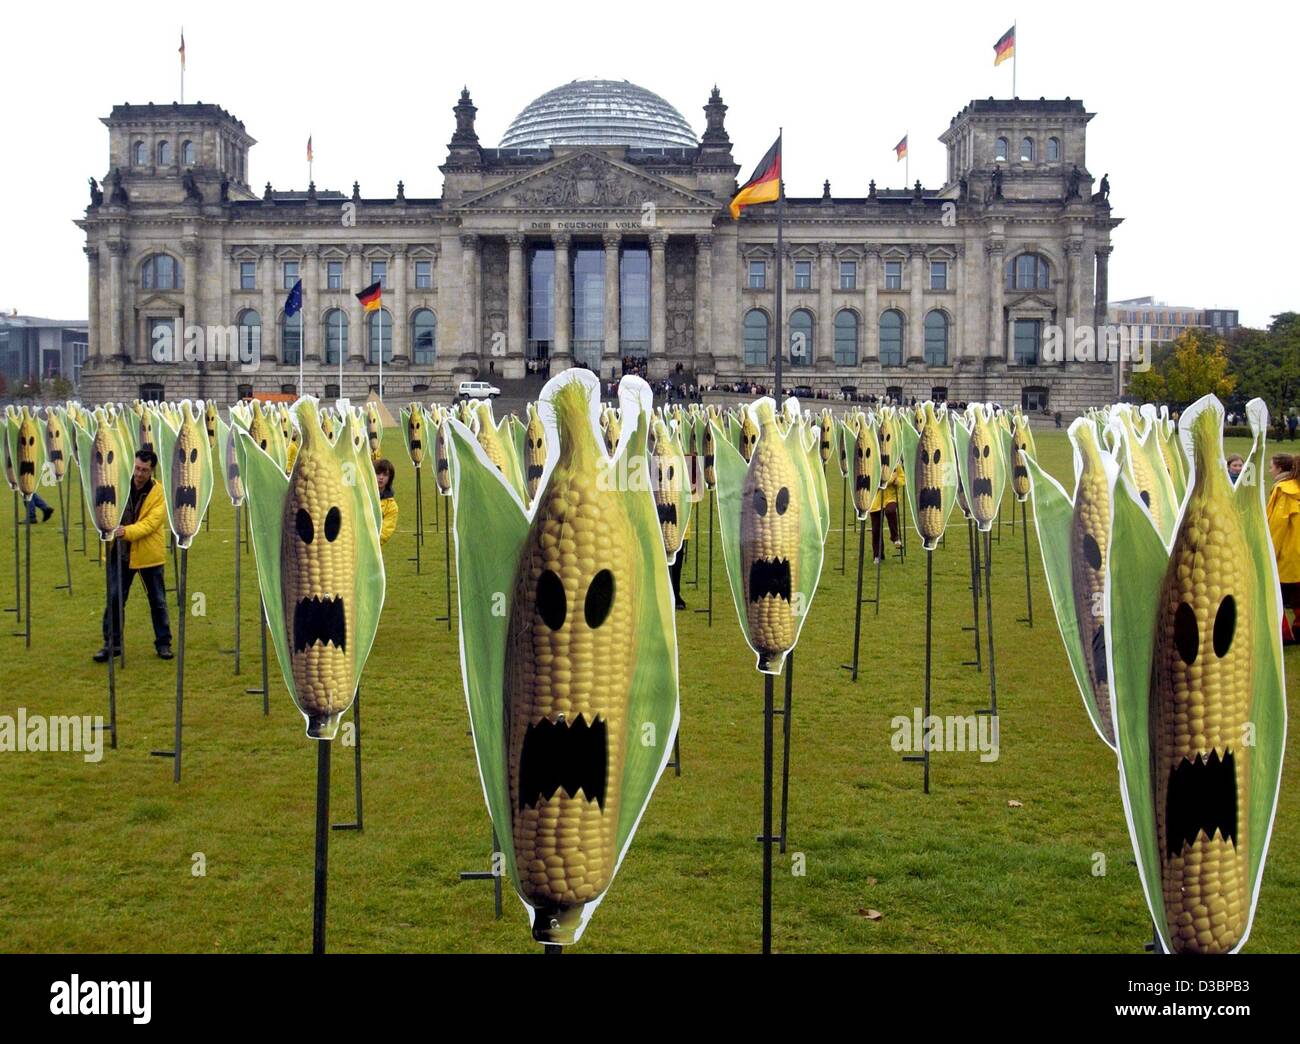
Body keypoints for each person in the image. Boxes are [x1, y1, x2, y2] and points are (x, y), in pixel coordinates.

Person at [95, 449, 172, 661]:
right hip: (120, 553)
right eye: (137, 468)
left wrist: (125, 531)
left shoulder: (159, 493)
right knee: (114, 599)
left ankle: (163, 643)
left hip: (148, 556)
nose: (139, 473)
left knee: (157, 601)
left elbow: (150, 524)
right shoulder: (120, 485)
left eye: (144, 470)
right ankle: (112, 644)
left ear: (152, 470)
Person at [1268, 454, 1300, 643]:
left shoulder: (1284, 491)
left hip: (1287, 553)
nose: (1270, 470)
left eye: (1271, 467)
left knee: (1275, 594)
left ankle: (1284, 633)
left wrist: (1269, 551)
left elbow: (1277, 525)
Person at [869, 464, 905, 562]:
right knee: (876, 529)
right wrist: (889, 480)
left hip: (891, 497)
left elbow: (902, 477)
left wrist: (898, 481)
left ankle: (895, 537)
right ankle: (878, 555)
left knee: (891, 511)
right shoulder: (873, 463)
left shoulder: (895, 463)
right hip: (875, 499)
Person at [375, 458, 398, 546]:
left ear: (390, 478)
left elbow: (385, 532)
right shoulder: (362, 495)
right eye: (378, 473)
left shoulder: (391, 506)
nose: (381, 477)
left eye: (385, 475)